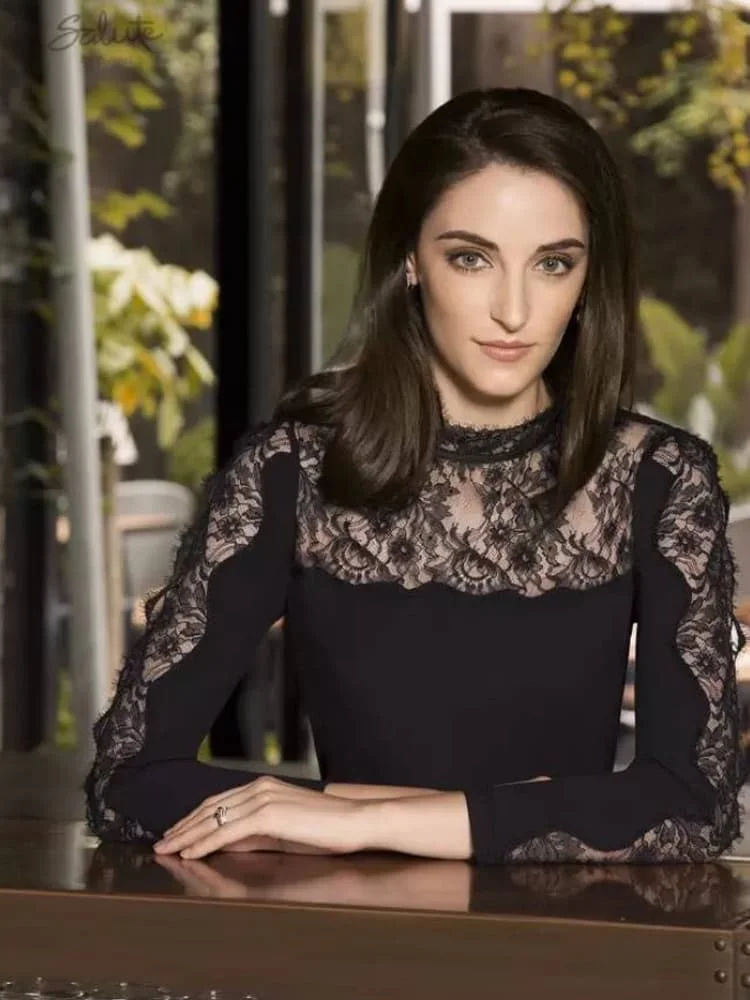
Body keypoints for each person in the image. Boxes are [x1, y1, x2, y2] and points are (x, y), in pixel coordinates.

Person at [85, 87, 746, 864]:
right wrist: (453, 817)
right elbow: (125, 780)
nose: (514, 309)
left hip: (565, 956)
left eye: (553, 264)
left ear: (588, 276)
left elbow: (693, 808)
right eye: (471, 258)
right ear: (410, 259)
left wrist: (370, 819)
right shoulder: (293, 473)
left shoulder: (658, 480)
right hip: (346, 956)